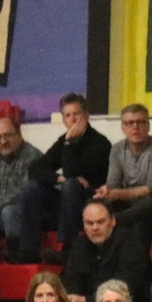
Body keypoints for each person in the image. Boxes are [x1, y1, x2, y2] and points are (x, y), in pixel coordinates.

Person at [24, 93, 114, 252]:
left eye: (76, 114)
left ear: (86, 116)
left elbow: (72, 172)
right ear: (63, 120)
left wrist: (68, 145)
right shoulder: (64, 140)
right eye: (67, 115)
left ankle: (68, 248)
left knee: (71, 185)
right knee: (32, 187)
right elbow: (35, 169)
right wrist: (59, 178)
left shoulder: (100, 143)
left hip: (91, 201)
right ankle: (29, 250)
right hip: (68, 201)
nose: (72, 119)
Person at [61, 200, 150, 302]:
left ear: (113, 221)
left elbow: (125, 288)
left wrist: (85, 301)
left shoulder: (130, 245)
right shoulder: (79, 245)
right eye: (89, 223)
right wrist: (72, 297)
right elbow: (72, 279)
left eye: (100, 222)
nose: (95, 228)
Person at [0, 114, 43, 261]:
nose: (3, 141)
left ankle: (18, 257)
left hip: (26, 216)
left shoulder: (32, 156)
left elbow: (23, 193)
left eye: (7, 136)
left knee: (9, 211)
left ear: (19, 134)